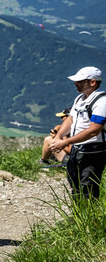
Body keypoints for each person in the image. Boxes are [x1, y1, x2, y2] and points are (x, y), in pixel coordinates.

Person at [49, 67, 105, 200]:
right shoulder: (80, 99)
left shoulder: (102, 101)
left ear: (92, 82)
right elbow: (70, 120)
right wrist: (58, 137)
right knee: (75, 182)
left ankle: (87, 218)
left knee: (88, 186)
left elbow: (94, 130)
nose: (76, 83)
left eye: (80, 81)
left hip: (93, 150)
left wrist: (65, 142)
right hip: (77, 149)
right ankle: (77, 215)